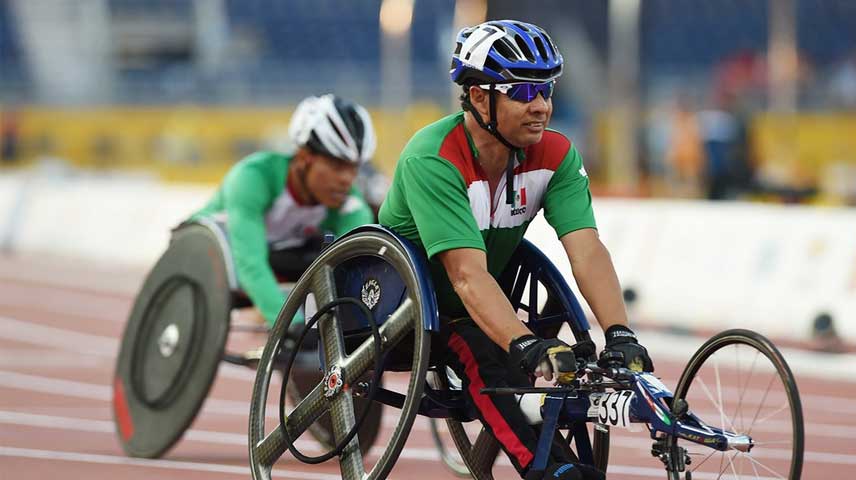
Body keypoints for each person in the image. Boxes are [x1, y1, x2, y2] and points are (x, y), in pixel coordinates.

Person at [378, 20, 653, 480]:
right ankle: (552, 471)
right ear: (480, 96)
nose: (541, 107)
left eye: (546, 90)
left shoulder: (556, 155)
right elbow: (464, 275)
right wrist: (525, 344)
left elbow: (586, 251)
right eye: (523, 93)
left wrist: (619, 333)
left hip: (484, 301)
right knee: (490, 355)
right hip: (407, 306)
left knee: (562, 360)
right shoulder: (434, 156)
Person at [191, 94, 376, 327]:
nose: (347, 180)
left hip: (273, 259)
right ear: (304, 158)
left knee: (326, 259)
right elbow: (250, 263)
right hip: (208, 255)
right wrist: (293, 327)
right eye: (337, 166)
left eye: (354, 168)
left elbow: (352, 271)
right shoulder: (254, 177)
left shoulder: (349, 205)